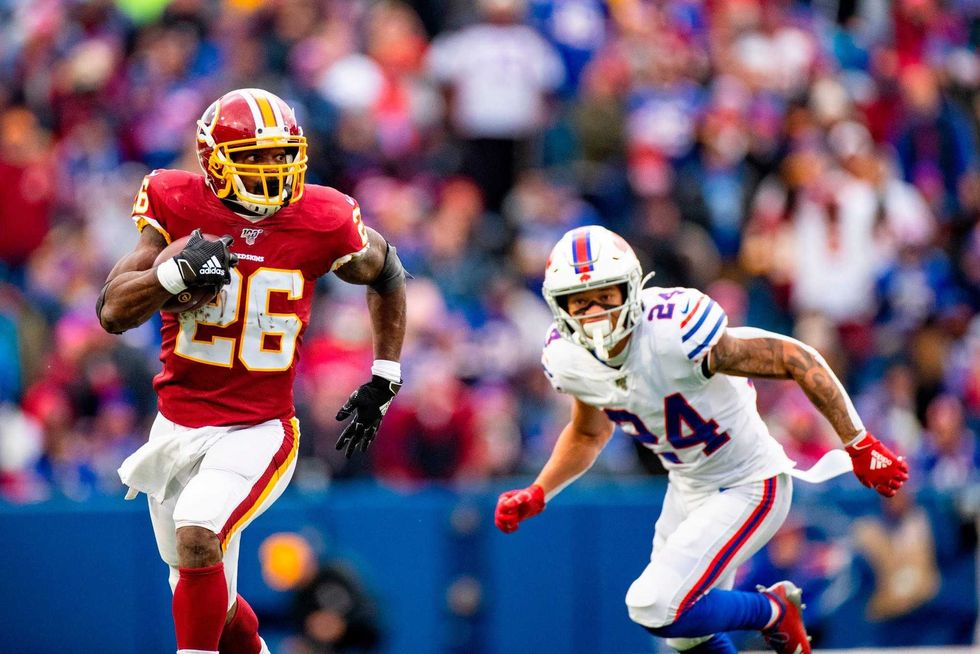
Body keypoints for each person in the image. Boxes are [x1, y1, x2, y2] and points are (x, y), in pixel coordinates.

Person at [494, 225, 908, 654]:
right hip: (687, 486)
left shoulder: (674, 329)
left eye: (605, 295)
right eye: (580, 302)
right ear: (560, 306)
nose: (595, 312)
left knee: (653, 604)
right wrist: (540, 490)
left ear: (631, 289)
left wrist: (858, 442)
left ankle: (773, 610)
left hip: (749, 481)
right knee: (685, 633)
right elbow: (588, 432)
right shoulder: (568, 357)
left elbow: (794, 357)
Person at [97, 88, 407, 654]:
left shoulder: (323, 216)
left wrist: (385, 374)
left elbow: (387, 271)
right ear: (214, 161)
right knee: (205, 591)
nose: (272, 169)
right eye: (255, 156)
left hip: (258, 427)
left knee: (198, 530)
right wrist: (173, 275)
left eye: (281, 154)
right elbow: (112, 312)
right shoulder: (175, 201)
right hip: (176, 425)